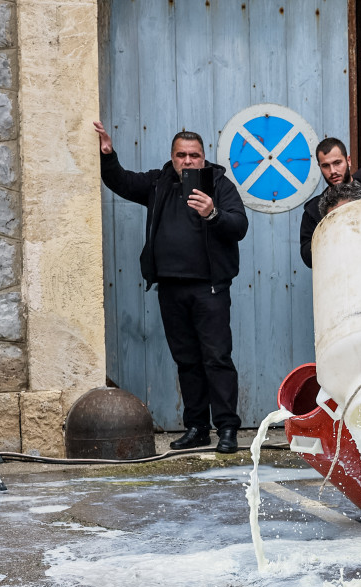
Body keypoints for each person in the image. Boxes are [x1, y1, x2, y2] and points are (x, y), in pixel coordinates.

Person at [94, 122, 248, 455]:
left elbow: (239, 226)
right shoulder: (158, 181)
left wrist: (213, 213)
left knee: (217, 359)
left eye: (194, 156)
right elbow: (120, 181)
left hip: (209, 289)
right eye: (182, 155)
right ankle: (197, 427)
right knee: (187, 361)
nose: (188, 161)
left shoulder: (219, 185)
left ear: (204, 158)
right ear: (173, 157)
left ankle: (226, 428)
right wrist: (108, 154)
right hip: (171, 288)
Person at [299, 137, 354, 269]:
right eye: (325, 166)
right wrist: (328, 232)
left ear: (348, 161)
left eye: (337, 163)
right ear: (320, 167)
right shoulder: (313, 210)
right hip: (334, 280)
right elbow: (308, 259)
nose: (333, 171)